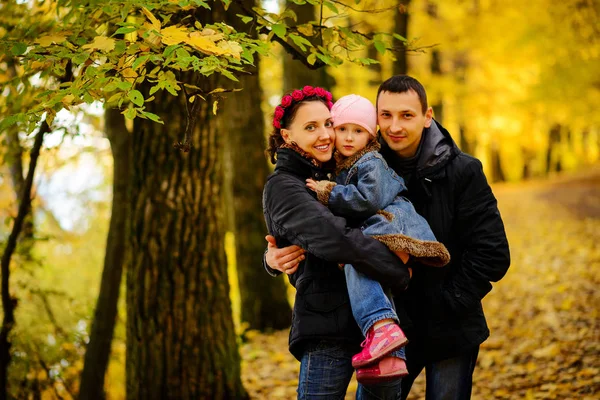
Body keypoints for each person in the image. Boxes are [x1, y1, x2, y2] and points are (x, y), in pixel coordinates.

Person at [265, 76, 510, 400]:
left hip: (448, 324)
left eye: (407, 115)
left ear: (427, 116)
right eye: (386, 115)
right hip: (392, 325)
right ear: (376, 122)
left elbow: (492, 252)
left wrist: (448, 301)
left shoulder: (461, 171)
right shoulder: (352, 163)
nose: (395, 125)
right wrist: (271, 258)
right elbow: (313, 227)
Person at [262, 85, 411, 399]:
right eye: (311, 127)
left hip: (379, 330)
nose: (326, 134)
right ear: (288, 136)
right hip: (327, 330)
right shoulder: (285, 185)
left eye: (328, 123)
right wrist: (398, 271)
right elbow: (337, 241)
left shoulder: (348, 169)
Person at [305, 94, 451, 384]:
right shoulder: (344, 164)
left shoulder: (371, 161)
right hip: (383, 228)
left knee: (356, 261)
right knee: (369, 272)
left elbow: (366, 200)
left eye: (358, 131)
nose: (348, 138)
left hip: (393, 227)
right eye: (342, 129)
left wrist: (328, 192)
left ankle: (381, 328)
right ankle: (389, 355)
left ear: (371, 135)